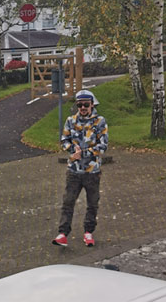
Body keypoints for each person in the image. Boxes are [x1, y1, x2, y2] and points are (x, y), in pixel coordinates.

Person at [52, 90, 108, 248]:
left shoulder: (100, 121)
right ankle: (63, 234)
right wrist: (71, 150)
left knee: (92, 203)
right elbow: (64, 140)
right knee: (68, 202)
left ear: (92, 104)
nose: (82, 107)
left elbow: (103, 145)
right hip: (74, 171)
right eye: (79, 104)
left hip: (92, 172)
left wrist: (84, 153)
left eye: (86, 104)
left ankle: (88, 232)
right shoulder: (70, 121)